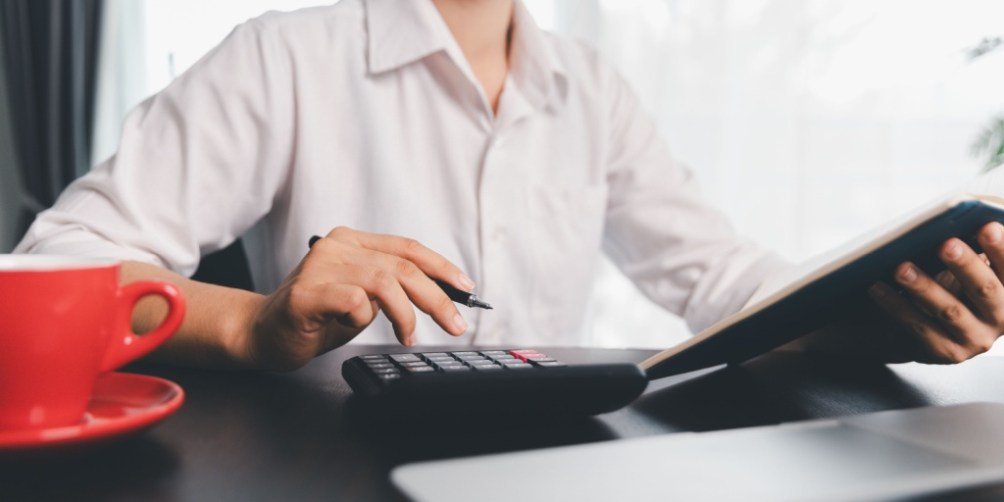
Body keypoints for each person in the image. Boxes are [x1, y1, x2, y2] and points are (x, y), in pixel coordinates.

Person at [15, 0, 1004, 371]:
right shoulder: (283, 56)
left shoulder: (589, 88)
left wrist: (868, 312)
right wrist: (248, 321)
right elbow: (47, 274)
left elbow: (722, 280)